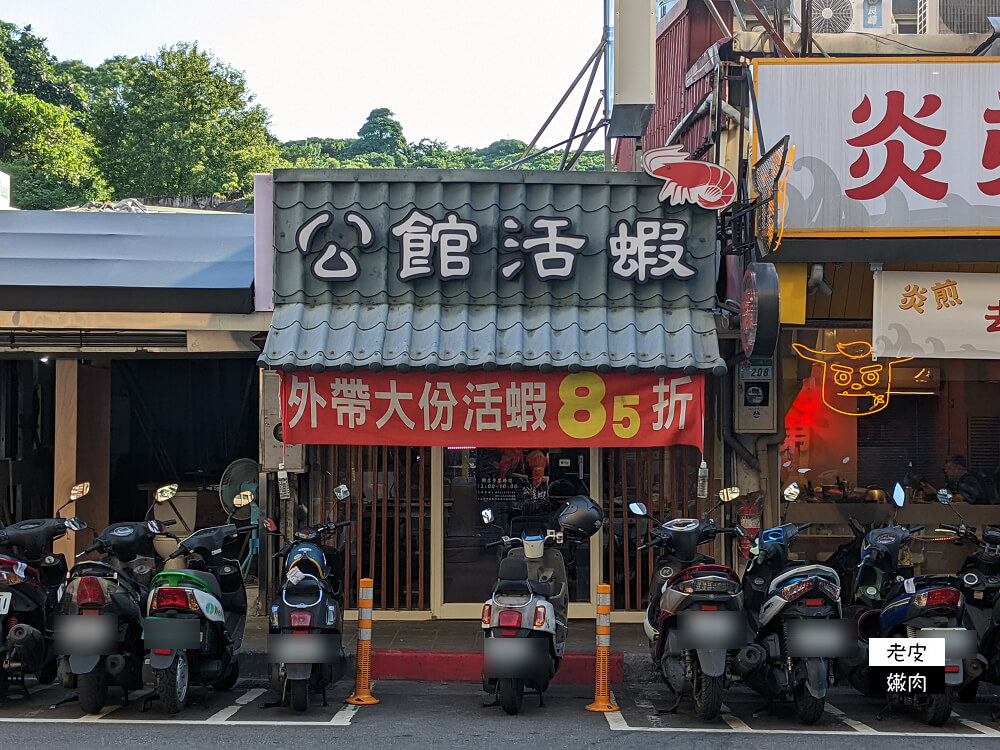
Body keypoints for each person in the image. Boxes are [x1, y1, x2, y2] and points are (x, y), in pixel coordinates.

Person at [920, 454, 986, 504]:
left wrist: (936, 493)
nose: (946, 471)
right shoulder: (954, 482)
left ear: (958, 468)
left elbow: (958, 498)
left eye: (948, 468)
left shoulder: (969, 480)